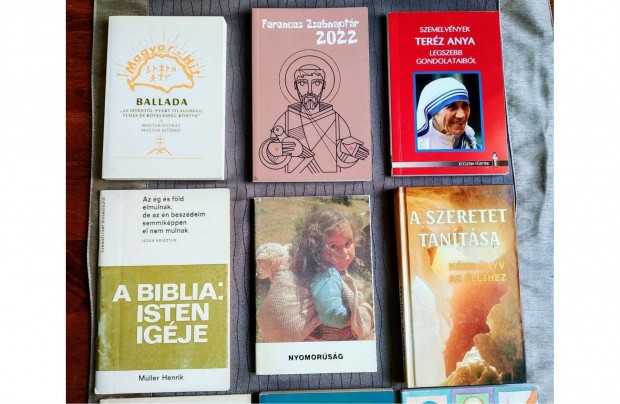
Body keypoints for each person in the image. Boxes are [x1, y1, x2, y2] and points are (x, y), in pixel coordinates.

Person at [258, 64, 369, 174]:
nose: (309, 91)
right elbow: (267, 153)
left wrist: (345, 148)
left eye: (316, 83)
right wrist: (278, 149)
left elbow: (342, 161)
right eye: (302, 83)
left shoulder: (335, 118)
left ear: (324, 85)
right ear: (295, 86)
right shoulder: (287, 117)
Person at [290, 209, 374, 341]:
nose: (344, 252)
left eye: (348, 243)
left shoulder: (327, 270)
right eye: (333, 246)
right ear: (315, 249)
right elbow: (333, 315)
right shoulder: (327, 275)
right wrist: (356, 315)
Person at [416, 77, 480, 150]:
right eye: (452, 107)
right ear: (432, 112)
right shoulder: (419, 145)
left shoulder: (468, 135)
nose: (462, 115)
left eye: (465, 105)